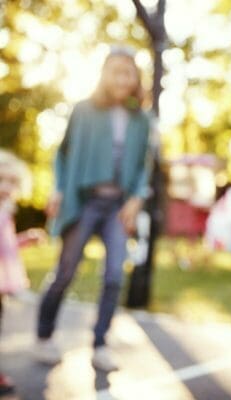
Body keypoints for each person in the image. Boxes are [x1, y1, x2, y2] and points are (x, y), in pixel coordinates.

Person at [34, 46, 152, 372]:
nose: (121, 77)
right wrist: (59, 188)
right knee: (65, 271)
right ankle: (44, 336)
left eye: (127, 72)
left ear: (135, 79)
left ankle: (100, 343)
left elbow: (145, 166)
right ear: (103, 74)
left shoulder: (141, 119)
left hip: (117, 207)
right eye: (114, 70)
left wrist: (136, 197)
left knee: (115, 275)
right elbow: (63, 153)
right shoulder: (84, 110)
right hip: (84, 201)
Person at [0, 150, 45, 397]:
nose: (6, 187)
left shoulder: (6, 212)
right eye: (1, 180)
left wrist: (25, 239)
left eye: (12, 182)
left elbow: (6, 247)